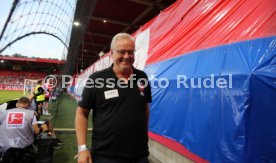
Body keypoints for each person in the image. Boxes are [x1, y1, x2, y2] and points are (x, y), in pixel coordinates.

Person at [75, 33, 152, 163]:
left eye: (130, 52)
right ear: (112, 53)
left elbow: (145, 108)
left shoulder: (142, 77)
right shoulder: (97, 79)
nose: (127, 56)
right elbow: (82, 112)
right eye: (122, 52)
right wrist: (82, 148)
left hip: (139, 154)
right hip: (105, 156)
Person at [0, 97, 45, 162]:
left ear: (17, 104)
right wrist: (42, 128)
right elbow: (36, 131)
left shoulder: (4, 113)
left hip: (4, 145)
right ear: (26, 104)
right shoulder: (31, 114)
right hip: (24, 145)